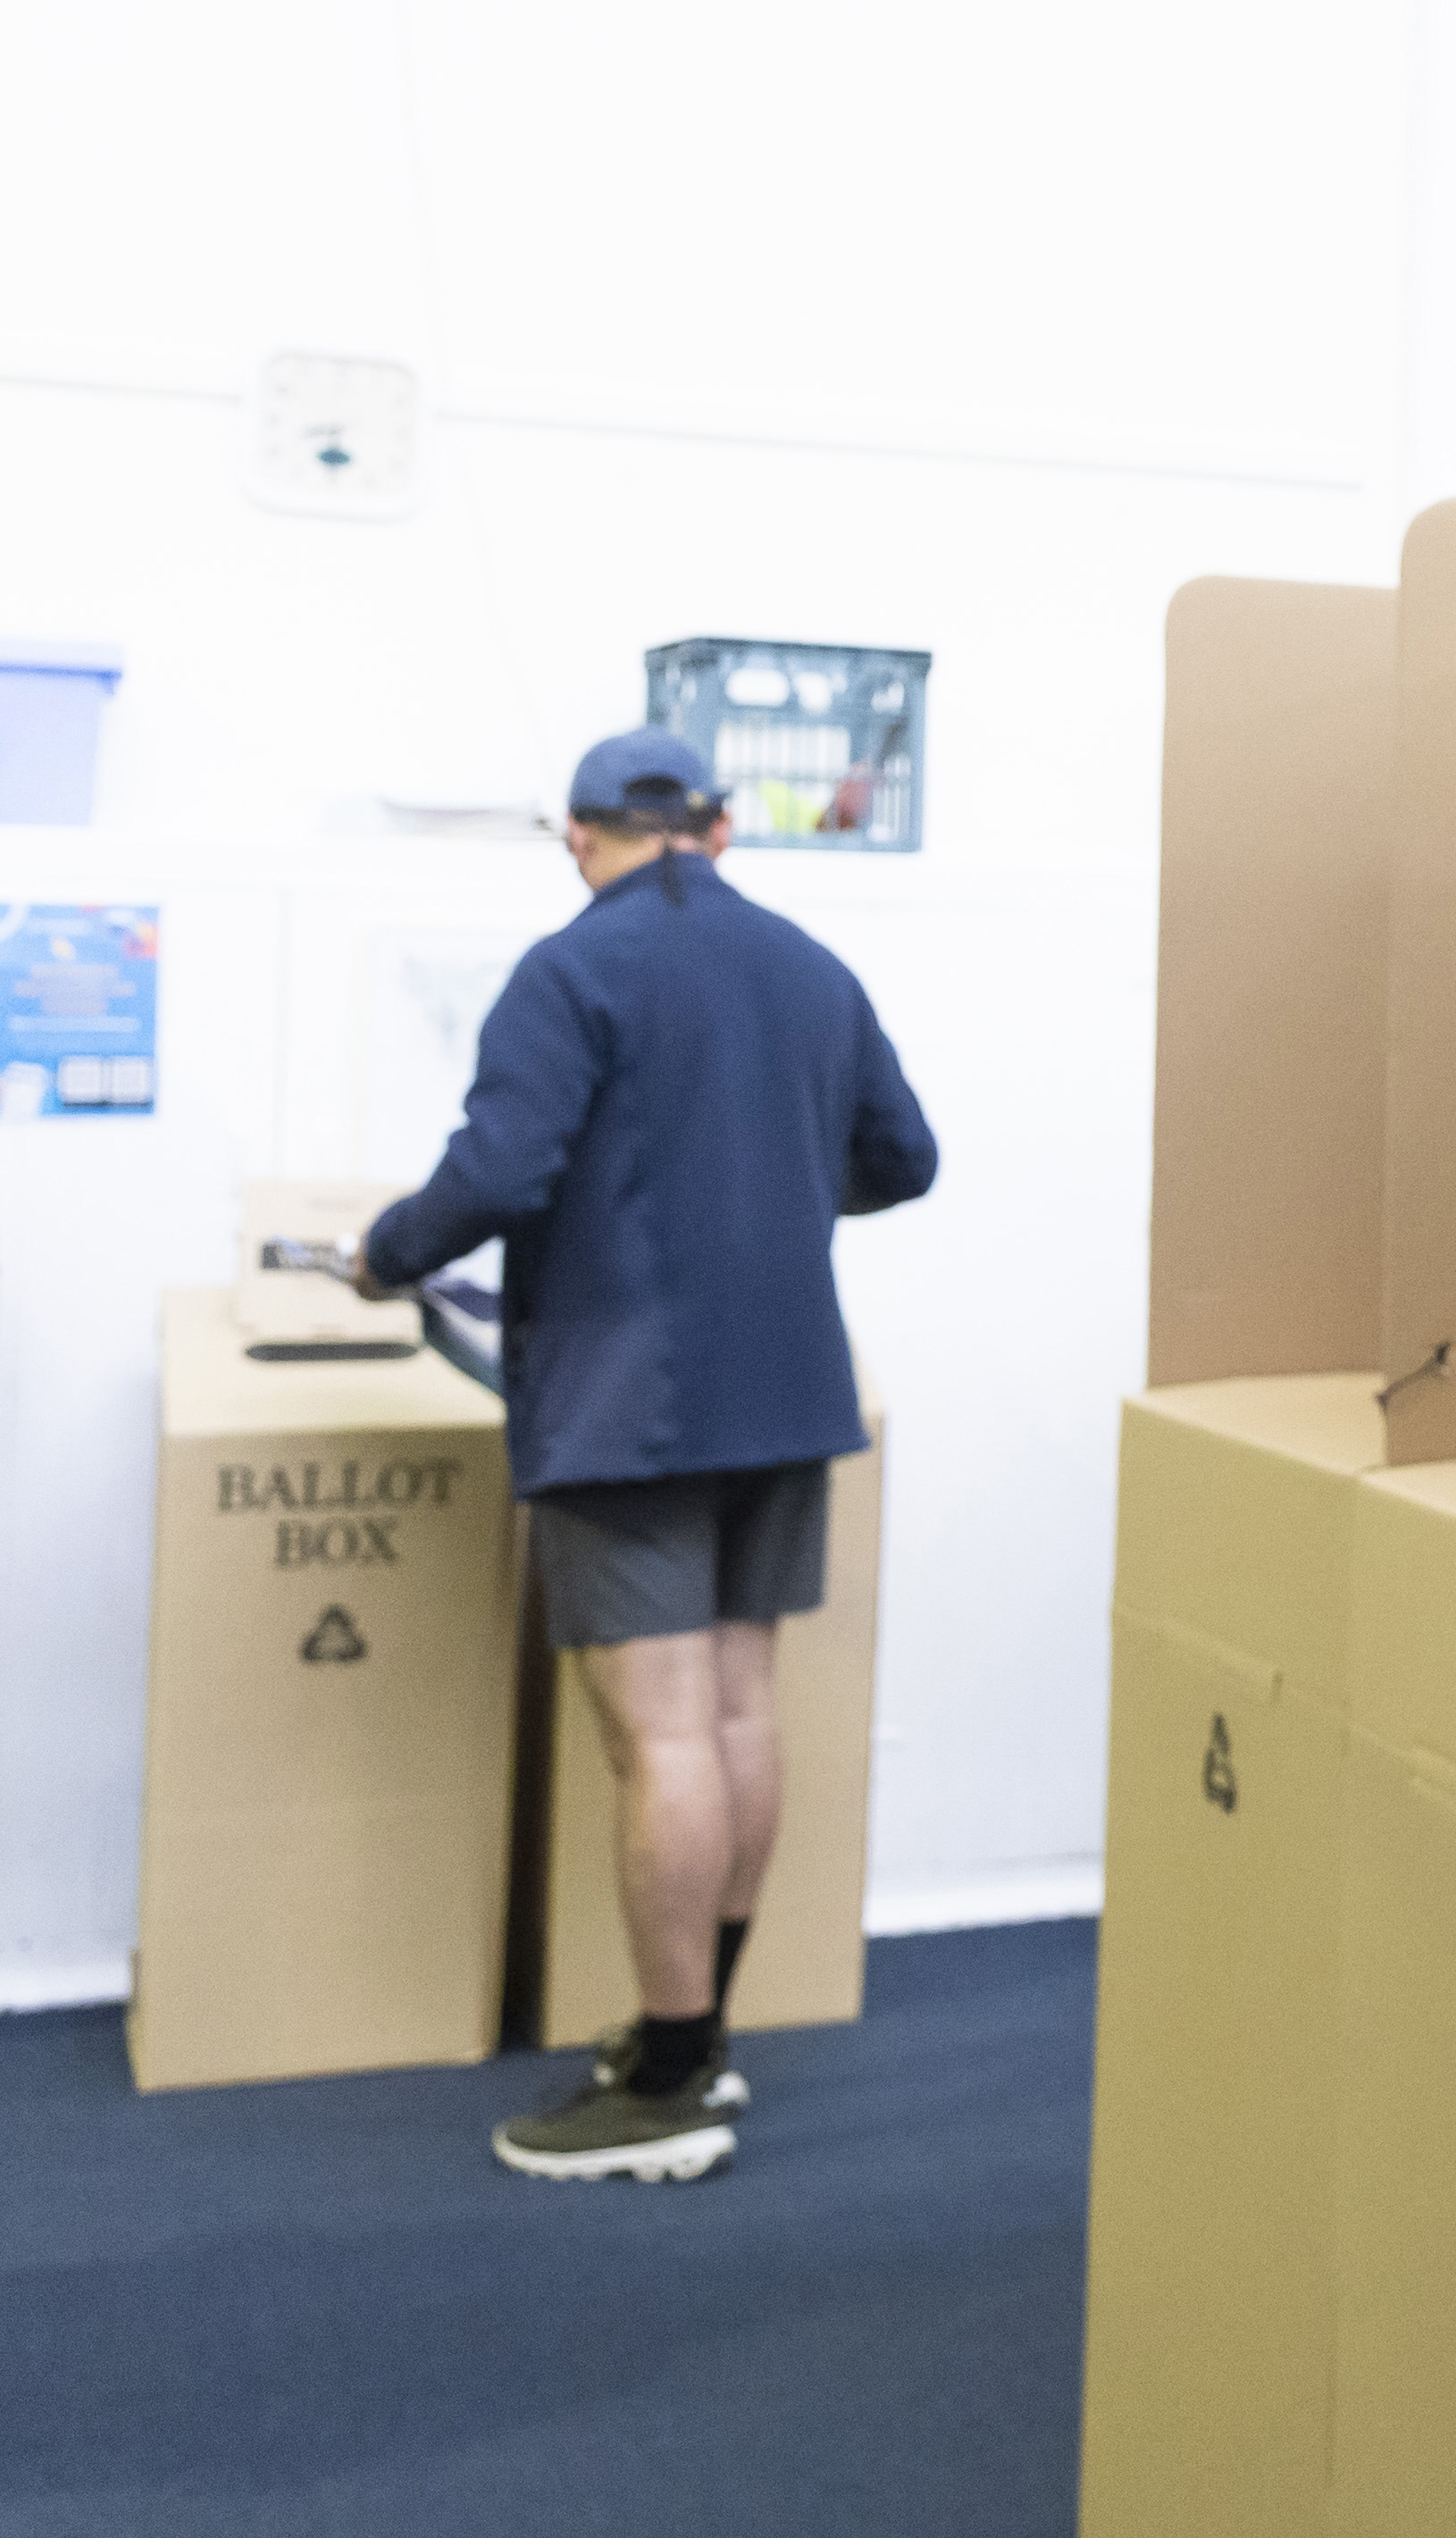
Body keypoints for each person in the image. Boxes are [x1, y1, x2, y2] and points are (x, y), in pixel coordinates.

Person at [357, 726, 938, 2182]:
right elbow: (905, 1158)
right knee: (740, 1713)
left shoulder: (573, 970)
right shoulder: (812, 967)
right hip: (791, 1392)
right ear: (723, 831)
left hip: (630, 1404)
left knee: (666, 1735)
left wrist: (383, 1257)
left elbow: (497, 1173)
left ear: (582, 836)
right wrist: (764, 1194)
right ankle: (703, 2037)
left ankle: (671, 2077)